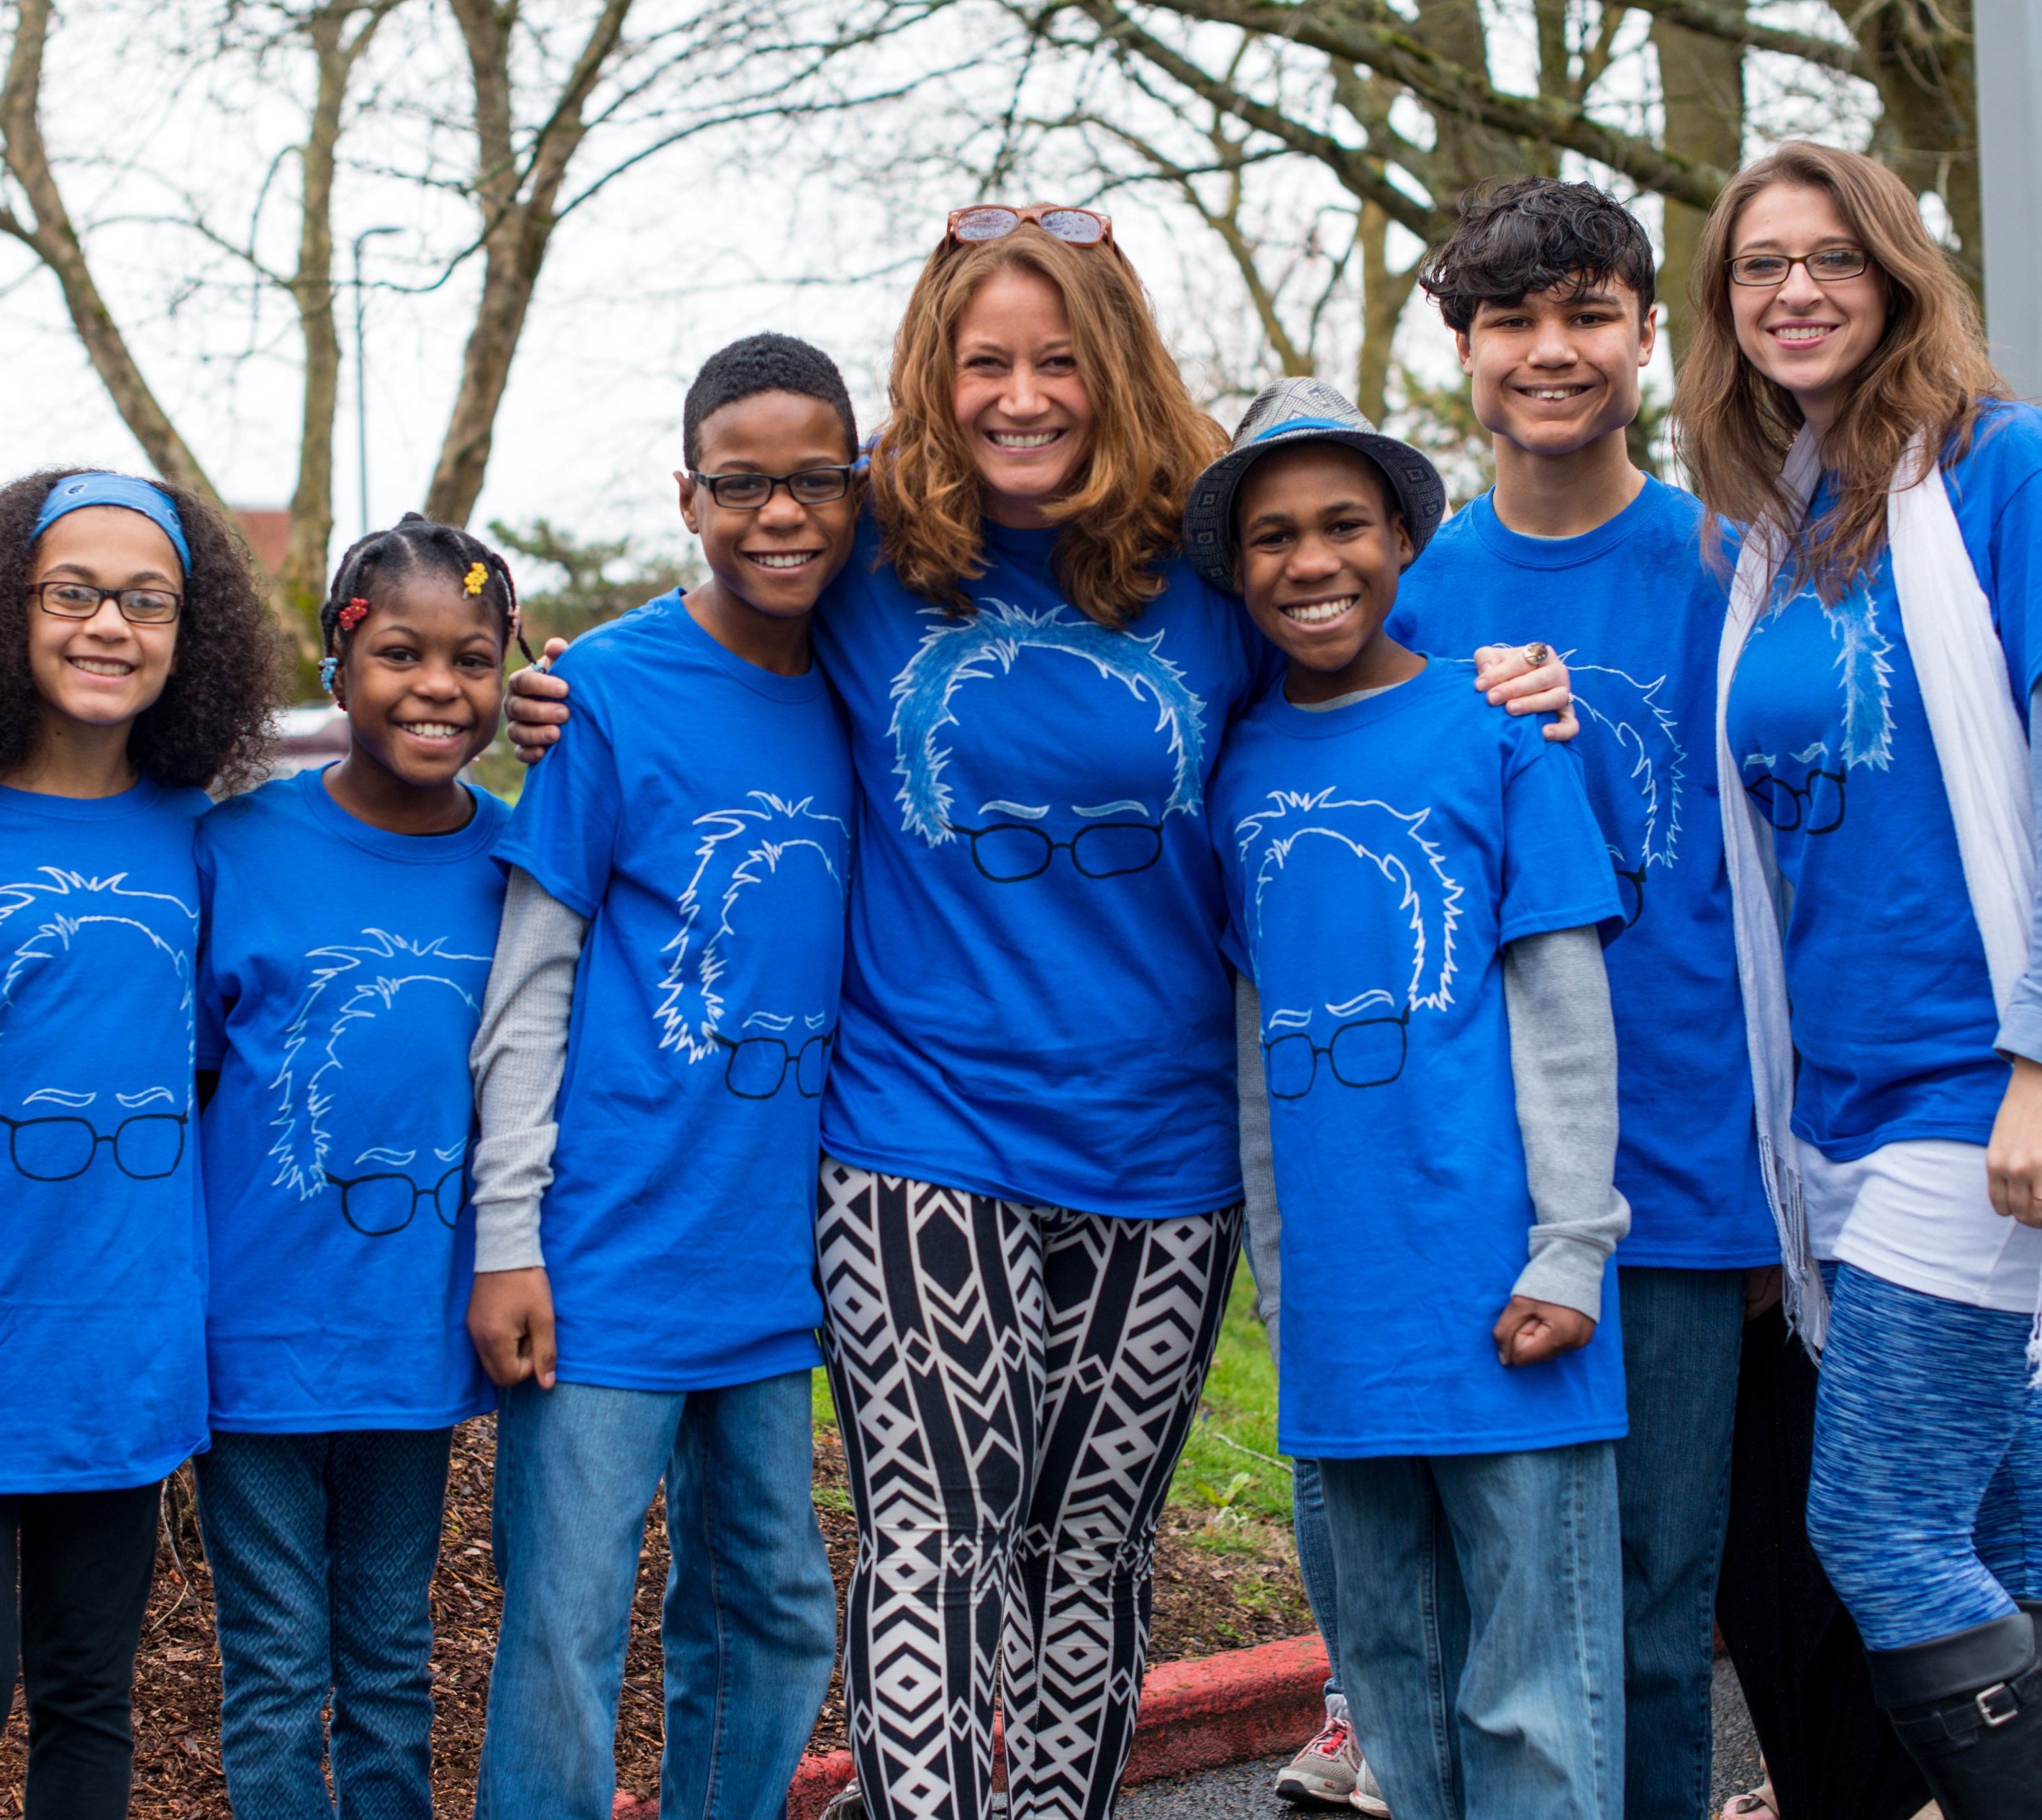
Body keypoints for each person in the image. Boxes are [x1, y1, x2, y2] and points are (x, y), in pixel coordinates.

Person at [507, 211, 1576, 1820]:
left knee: (1090, 1548)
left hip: (1162, 1155)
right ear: (935, 381)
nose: (1022, 393)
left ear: (1116, 370)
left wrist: (1512, 672)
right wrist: (564, 675)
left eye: (1058, 359)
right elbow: (722, 594)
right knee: (936, 1532)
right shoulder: (870, 561)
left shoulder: (1214, 577)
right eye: (984, 360)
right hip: (914, 1128)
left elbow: (1373, 653)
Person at [1371, 177, 1789, 1820]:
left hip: (1689, 1167)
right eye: (1510, 321)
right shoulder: (1400, 591)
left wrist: (1777, 1185)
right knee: (1486, 1616)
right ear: (1461, 349)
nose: (1551, 352)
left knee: (1658, 1613)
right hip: (1472, 1174)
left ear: (1641, 333)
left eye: (1586, 315)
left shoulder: (1734, 567)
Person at [1199, 378, 1630, 1819]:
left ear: (1398, 539)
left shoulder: (1494, 731)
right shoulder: (1236, 767)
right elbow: (1256, 1039)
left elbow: (1562, 1010)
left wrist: (1573, 1242)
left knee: (1533, 1698)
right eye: (1270, 536)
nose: (1307, 562)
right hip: (1342, 1308)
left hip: (1511, 1287)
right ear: (1234, 566)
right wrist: (1279, 1270)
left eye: (1340, 525)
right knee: (1390, 1686)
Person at [1676, 141, 2042, 1816]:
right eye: (1760, 265)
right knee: (2005, 1520)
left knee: (1876, 1522)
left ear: (1897, 275)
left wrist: (2041, 1062)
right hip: (1830, 1098)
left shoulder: (2000, 471)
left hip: (1973, 1092)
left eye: (1832, 258)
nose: (1796, 290)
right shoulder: (1774, 523)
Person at [0, 471, 276, 1819]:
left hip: (125, 1338)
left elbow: (215, 1070)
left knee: (92, 1685)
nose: (109, 625)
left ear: (186, 633)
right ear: (5, 612)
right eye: (72, 592)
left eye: (147, 600)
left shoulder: (207, 838)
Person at [466, 333, 854, 1819]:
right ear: (688, 496)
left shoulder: (867, 676)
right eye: (742, 485)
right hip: (603, 1247)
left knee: (767, 1605)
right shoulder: (610, 689)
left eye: (812, 481)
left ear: (858, 486)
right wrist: (508, 1236)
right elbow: (530, 982)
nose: (779, 515)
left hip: (783, 1258)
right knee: (565, 1629)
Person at [192, 515, 518, 1816]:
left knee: (390, 1662)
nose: (438, 686)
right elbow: (190, 1092)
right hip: (254, 1337)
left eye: (474, 658)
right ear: (340, 665)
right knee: (274, 1667)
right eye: (401, 653)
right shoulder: (236, 848)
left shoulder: (519, 863)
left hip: (412, 1340)